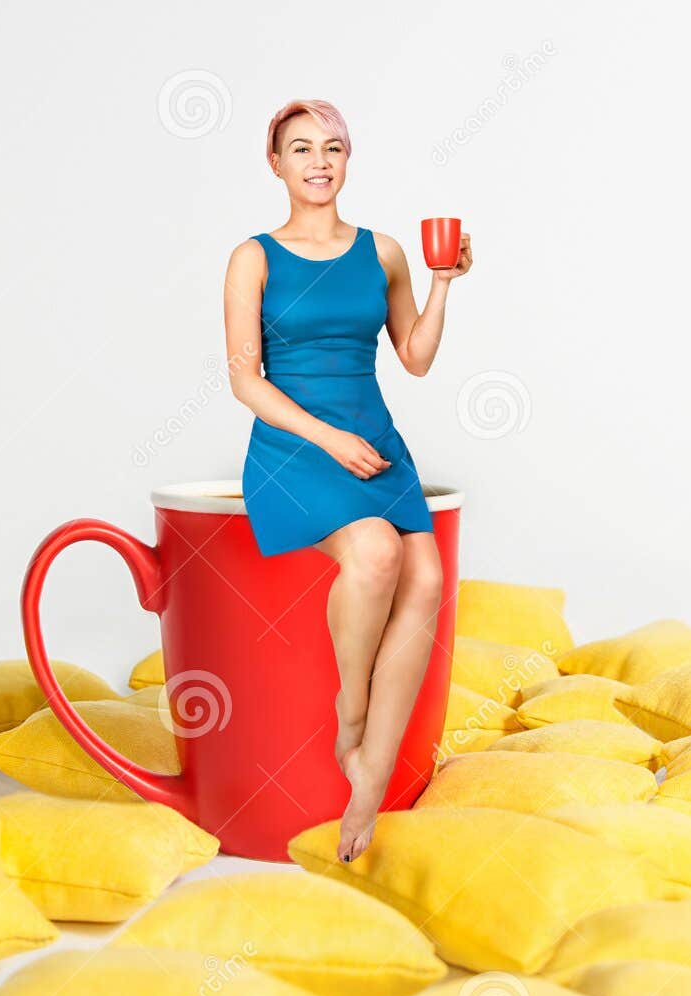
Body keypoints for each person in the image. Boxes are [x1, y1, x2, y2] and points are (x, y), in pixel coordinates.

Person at [223, 98, 473, 862]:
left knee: (425, 582)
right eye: (301, 150)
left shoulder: (385, 251)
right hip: (296, 447)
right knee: (375, 554)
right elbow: (244, 379)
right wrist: (329, 438)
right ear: (276, 164)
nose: (319, 162)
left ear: (347, 158)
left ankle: (366, 778)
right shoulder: (253, 257)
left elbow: (416, 356)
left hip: (376, 443)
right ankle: (352, 708)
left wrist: (442, 282)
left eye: (332, 147)